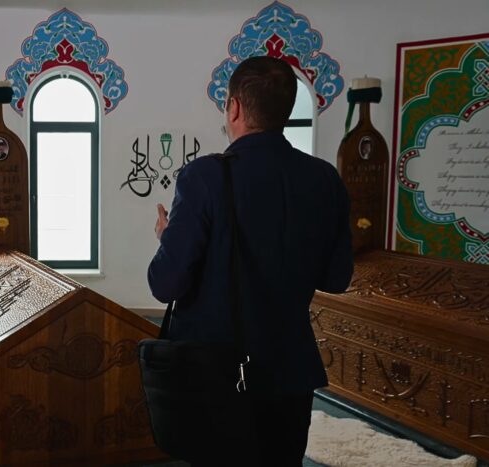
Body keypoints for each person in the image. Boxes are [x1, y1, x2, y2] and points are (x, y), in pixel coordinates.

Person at [147, 56, 353, 466]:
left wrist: (169, 236)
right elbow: (337, 277)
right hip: (290, 371)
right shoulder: (324, 179)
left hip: (215, 373)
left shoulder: (203, 177)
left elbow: (165, 284)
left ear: (235, 107)